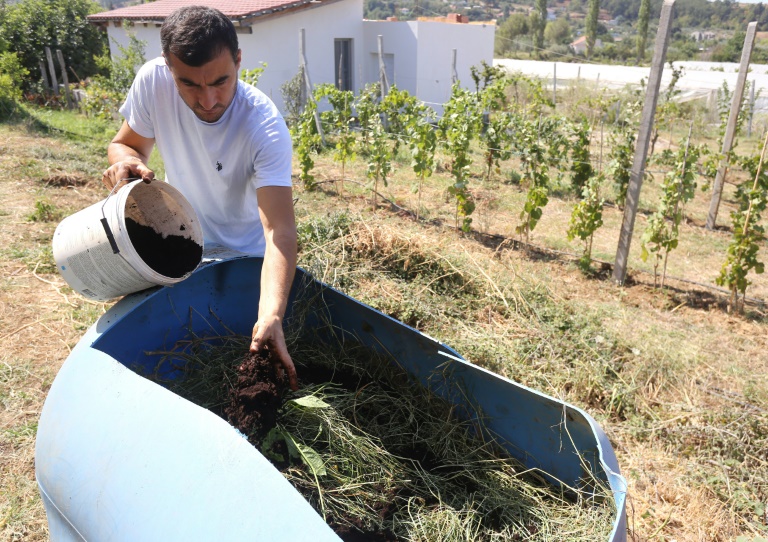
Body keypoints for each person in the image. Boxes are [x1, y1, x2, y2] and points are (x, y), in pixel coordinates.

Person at [101, 5, 298, 390]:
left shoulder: (264, 127)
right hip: (184, 246)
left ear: (239, 60)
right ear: (168, 67)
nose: (207, 100)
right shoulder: (153, 82)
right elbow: (127, 144)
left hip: (248, 260)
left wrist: (272, 313)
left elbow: (280, 232)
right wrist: (126, 163)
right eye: (189, 84)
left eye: (220, 81)